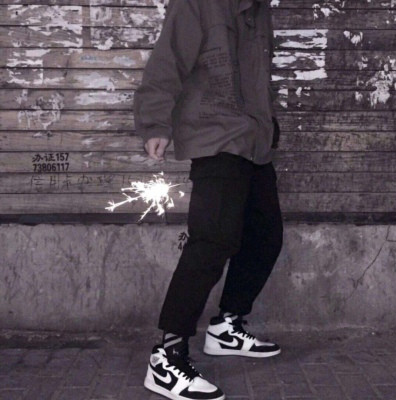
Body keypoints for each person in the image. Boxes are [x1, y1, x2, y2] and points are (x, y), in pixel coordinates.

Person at [133, 0, 283, 399]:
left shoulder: (259, 9)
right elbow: (167, 63)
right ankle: (166, 357)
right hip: (214, 134)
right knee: (212, 240)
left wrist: (269, 126)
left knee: (266, 235)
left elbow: (259, 77)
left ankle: (225, 328)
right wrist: (154, 123)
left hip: (254, 139)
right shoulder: (196, 4)